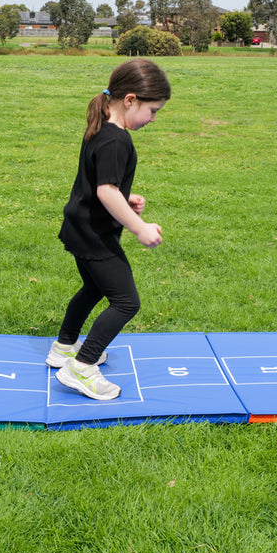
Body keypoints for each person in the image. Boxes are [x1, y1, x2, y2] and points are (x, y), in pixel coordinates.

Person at [48, 58, 171, 400]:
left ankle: (63, 348)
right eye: (153, 110)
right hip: (95, 235)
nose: (153, 119)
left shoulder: (100, 126)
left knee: (92, 288)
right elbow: (105, 190)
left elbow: (100, 182)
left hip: (79, 226)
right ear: (130, 100)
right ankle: (82, 367)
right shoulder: (118, 140)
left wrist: (125, 197)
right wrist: (139, 227)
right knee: (126, 302)